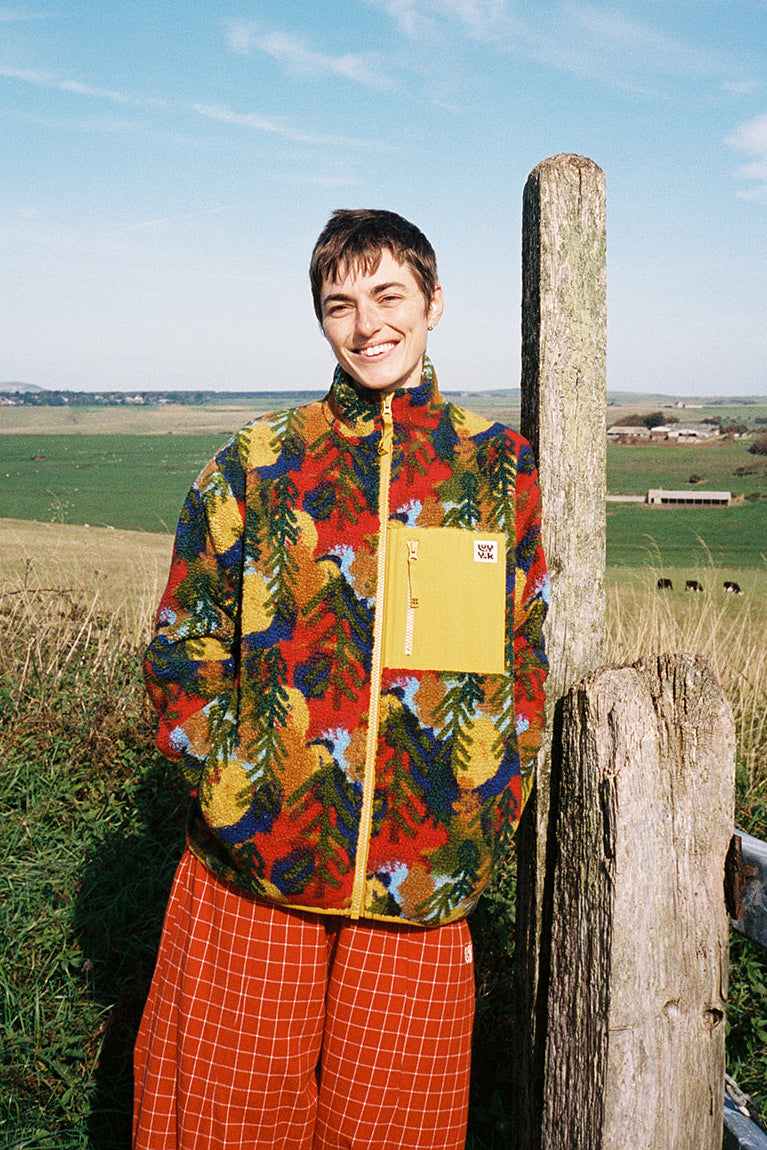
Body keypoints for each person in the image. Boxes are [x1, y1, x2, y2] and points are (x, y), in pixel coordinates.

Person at [134, 209, 548, 1150]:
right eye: (339, 305)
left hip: (422, 877)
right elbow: (180, 647)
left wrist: (487, 806)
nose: (367, 327)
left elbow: (522, 655)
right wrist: (232, 782)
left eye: (387, 296)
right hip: (255, 869)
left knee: (391, 1133)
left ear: (434, 303)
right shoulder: (254, 461)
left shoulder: (494, 469)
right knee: (224, 1125)